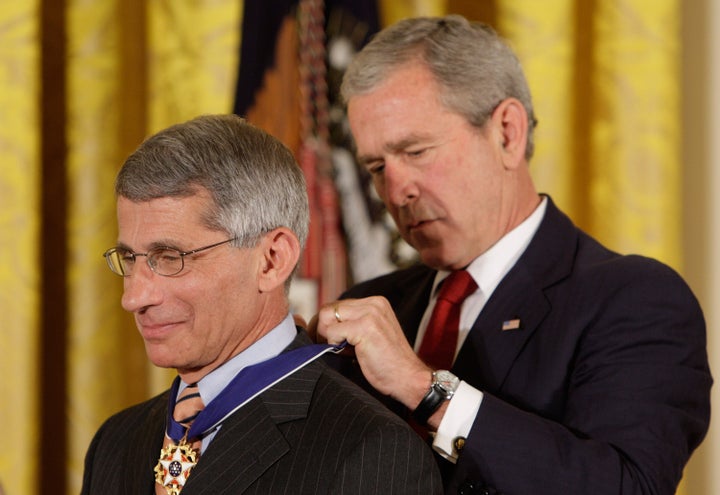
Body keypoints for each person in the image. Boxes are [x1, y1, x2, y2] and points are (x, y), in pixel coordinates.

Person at [313, 14, 713, 495]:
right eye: (376, 166)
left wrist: (424, 389)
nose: (395, 192)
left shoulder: (633, 299)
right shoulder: (373, 305)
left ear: (507, 132)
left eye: (416, 152)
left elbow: (627, 486)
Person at [81, 114, 442, 495]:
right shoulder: (116, 442)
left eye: (170, 257)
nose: (133, 297)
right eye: (130, 259)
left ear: (272, 260)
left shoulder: (369, 450)